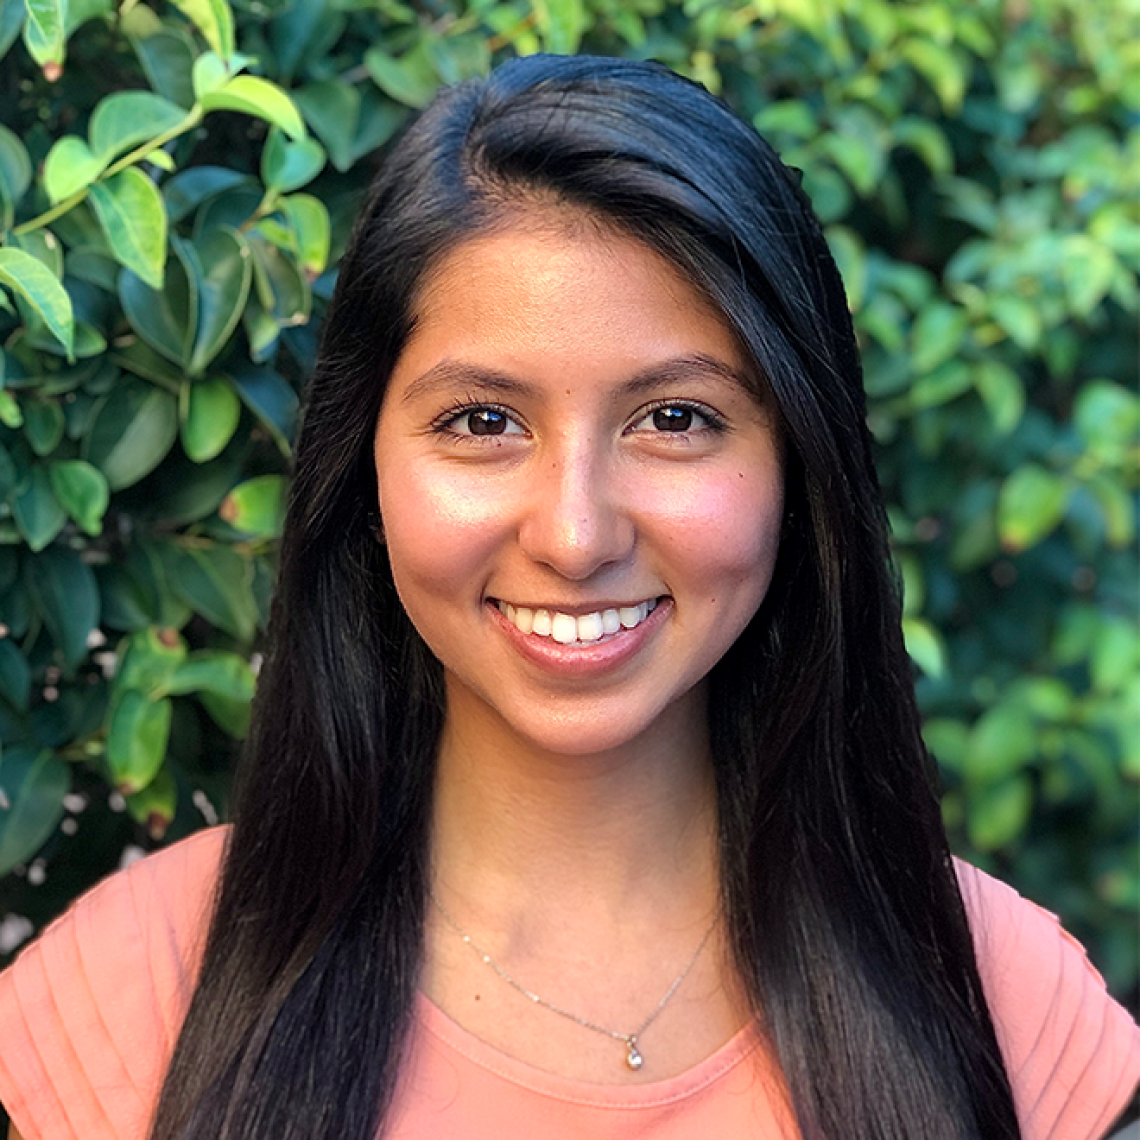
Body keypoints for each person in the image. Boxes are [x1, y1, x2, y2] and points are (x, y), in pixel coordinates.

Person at [0, 53, 1136, 1140]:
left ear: (800, 462)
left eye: (676, 418)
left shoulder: (1001, 995)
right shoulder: (131, 999)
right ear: (365, 467)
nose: (576, 535)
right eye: (483, 422)